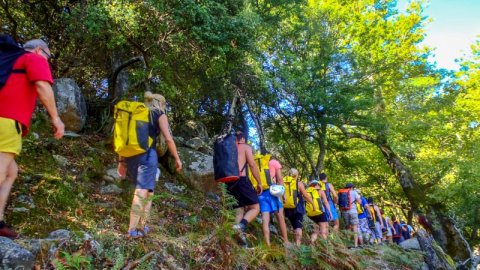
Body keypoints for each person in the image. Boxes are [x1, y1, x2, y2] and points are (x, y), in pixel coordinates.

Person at [0, 38, 65, 239]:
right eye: (48, 56)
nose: (47, 60)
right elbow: (43, 87)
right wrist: (56, 118)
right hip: (7, 120)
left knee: (12, 171)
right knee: (1, 170)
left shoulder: (9, 62)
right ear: (39, 49)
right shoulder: (33, 58)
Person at [117, 91, 182, 238]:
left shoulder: (136, 113)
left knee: (148, 191)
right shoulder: (159, 113)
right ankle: (132, 230)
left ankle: (143, 226)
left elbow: (123, 138)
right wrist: (177, 158)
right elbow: (169, 139)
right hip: (147, 156)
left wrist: (121, 162)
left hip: (130, 156)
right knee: (142, 191)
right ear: (161, 104)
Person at [227, 131, 262, 247]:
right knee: (255, 207)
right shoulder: (245, 146)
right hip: (241, 180)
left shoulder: (228, 147)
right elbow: (252, 164)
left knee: (239, 209)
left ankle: (239, 242)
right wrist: (259, 182)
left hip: (229, 182)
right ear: (242, 139)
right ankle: (241, 226)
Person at [254, 153, 289, 246]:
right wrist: (284, 194)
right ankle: (286, 241)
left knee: (265, 219)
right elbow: (280, 179)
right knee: (280, 217)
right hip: (273, 191)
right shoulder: (274, 162)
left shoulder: (257, 164)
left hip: (261, 193)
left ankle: (267, 244)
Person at [282, 168, 314, 246]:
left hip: (287, 208)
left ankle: (295, 244)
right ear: (296, 175)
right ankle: (298, 245)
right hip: (298, 208)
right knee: (298, 226)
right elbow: (305, 195)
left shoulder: (283, 182)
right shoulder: (299, 184)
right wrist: (313, 204)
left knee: (294, 226)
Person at [339, 183, 362, 247]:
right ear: (352, 187)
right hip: (353, 211)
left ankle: (348, 244)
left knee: (348, 228)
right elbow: (360, 202)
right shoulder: (354, 192)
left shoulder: (342, 193)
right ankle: (355, 245)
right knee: (355, 228)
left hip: (344, 212)